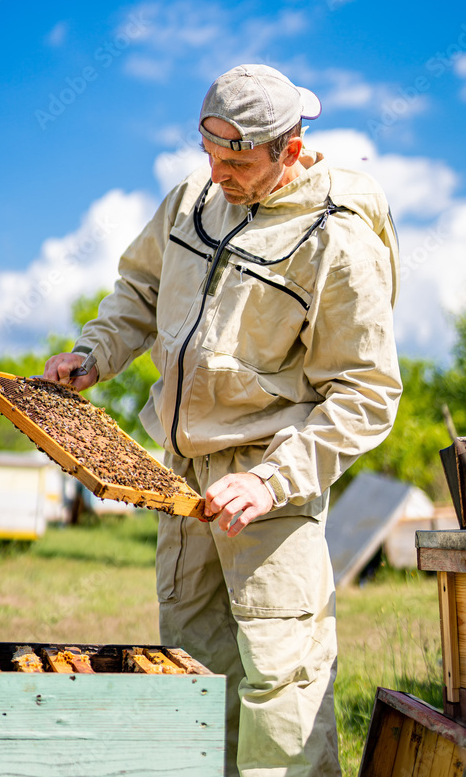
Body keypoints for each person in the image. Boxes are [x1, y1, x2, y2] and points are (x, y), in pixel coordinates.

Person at [42, 64, 402, 777]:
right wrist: (93, 355)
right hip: (179, 483)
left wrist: (272, 481)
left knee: (280, 686)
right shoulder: (191, 200)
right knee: (196, 678)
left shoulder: (340, 244)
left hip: (269, 487)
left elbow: (366, 393)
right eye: (210, 155)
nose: (219, 173)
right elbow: (139, 289)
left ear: (291, 149)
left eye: (237, 162)